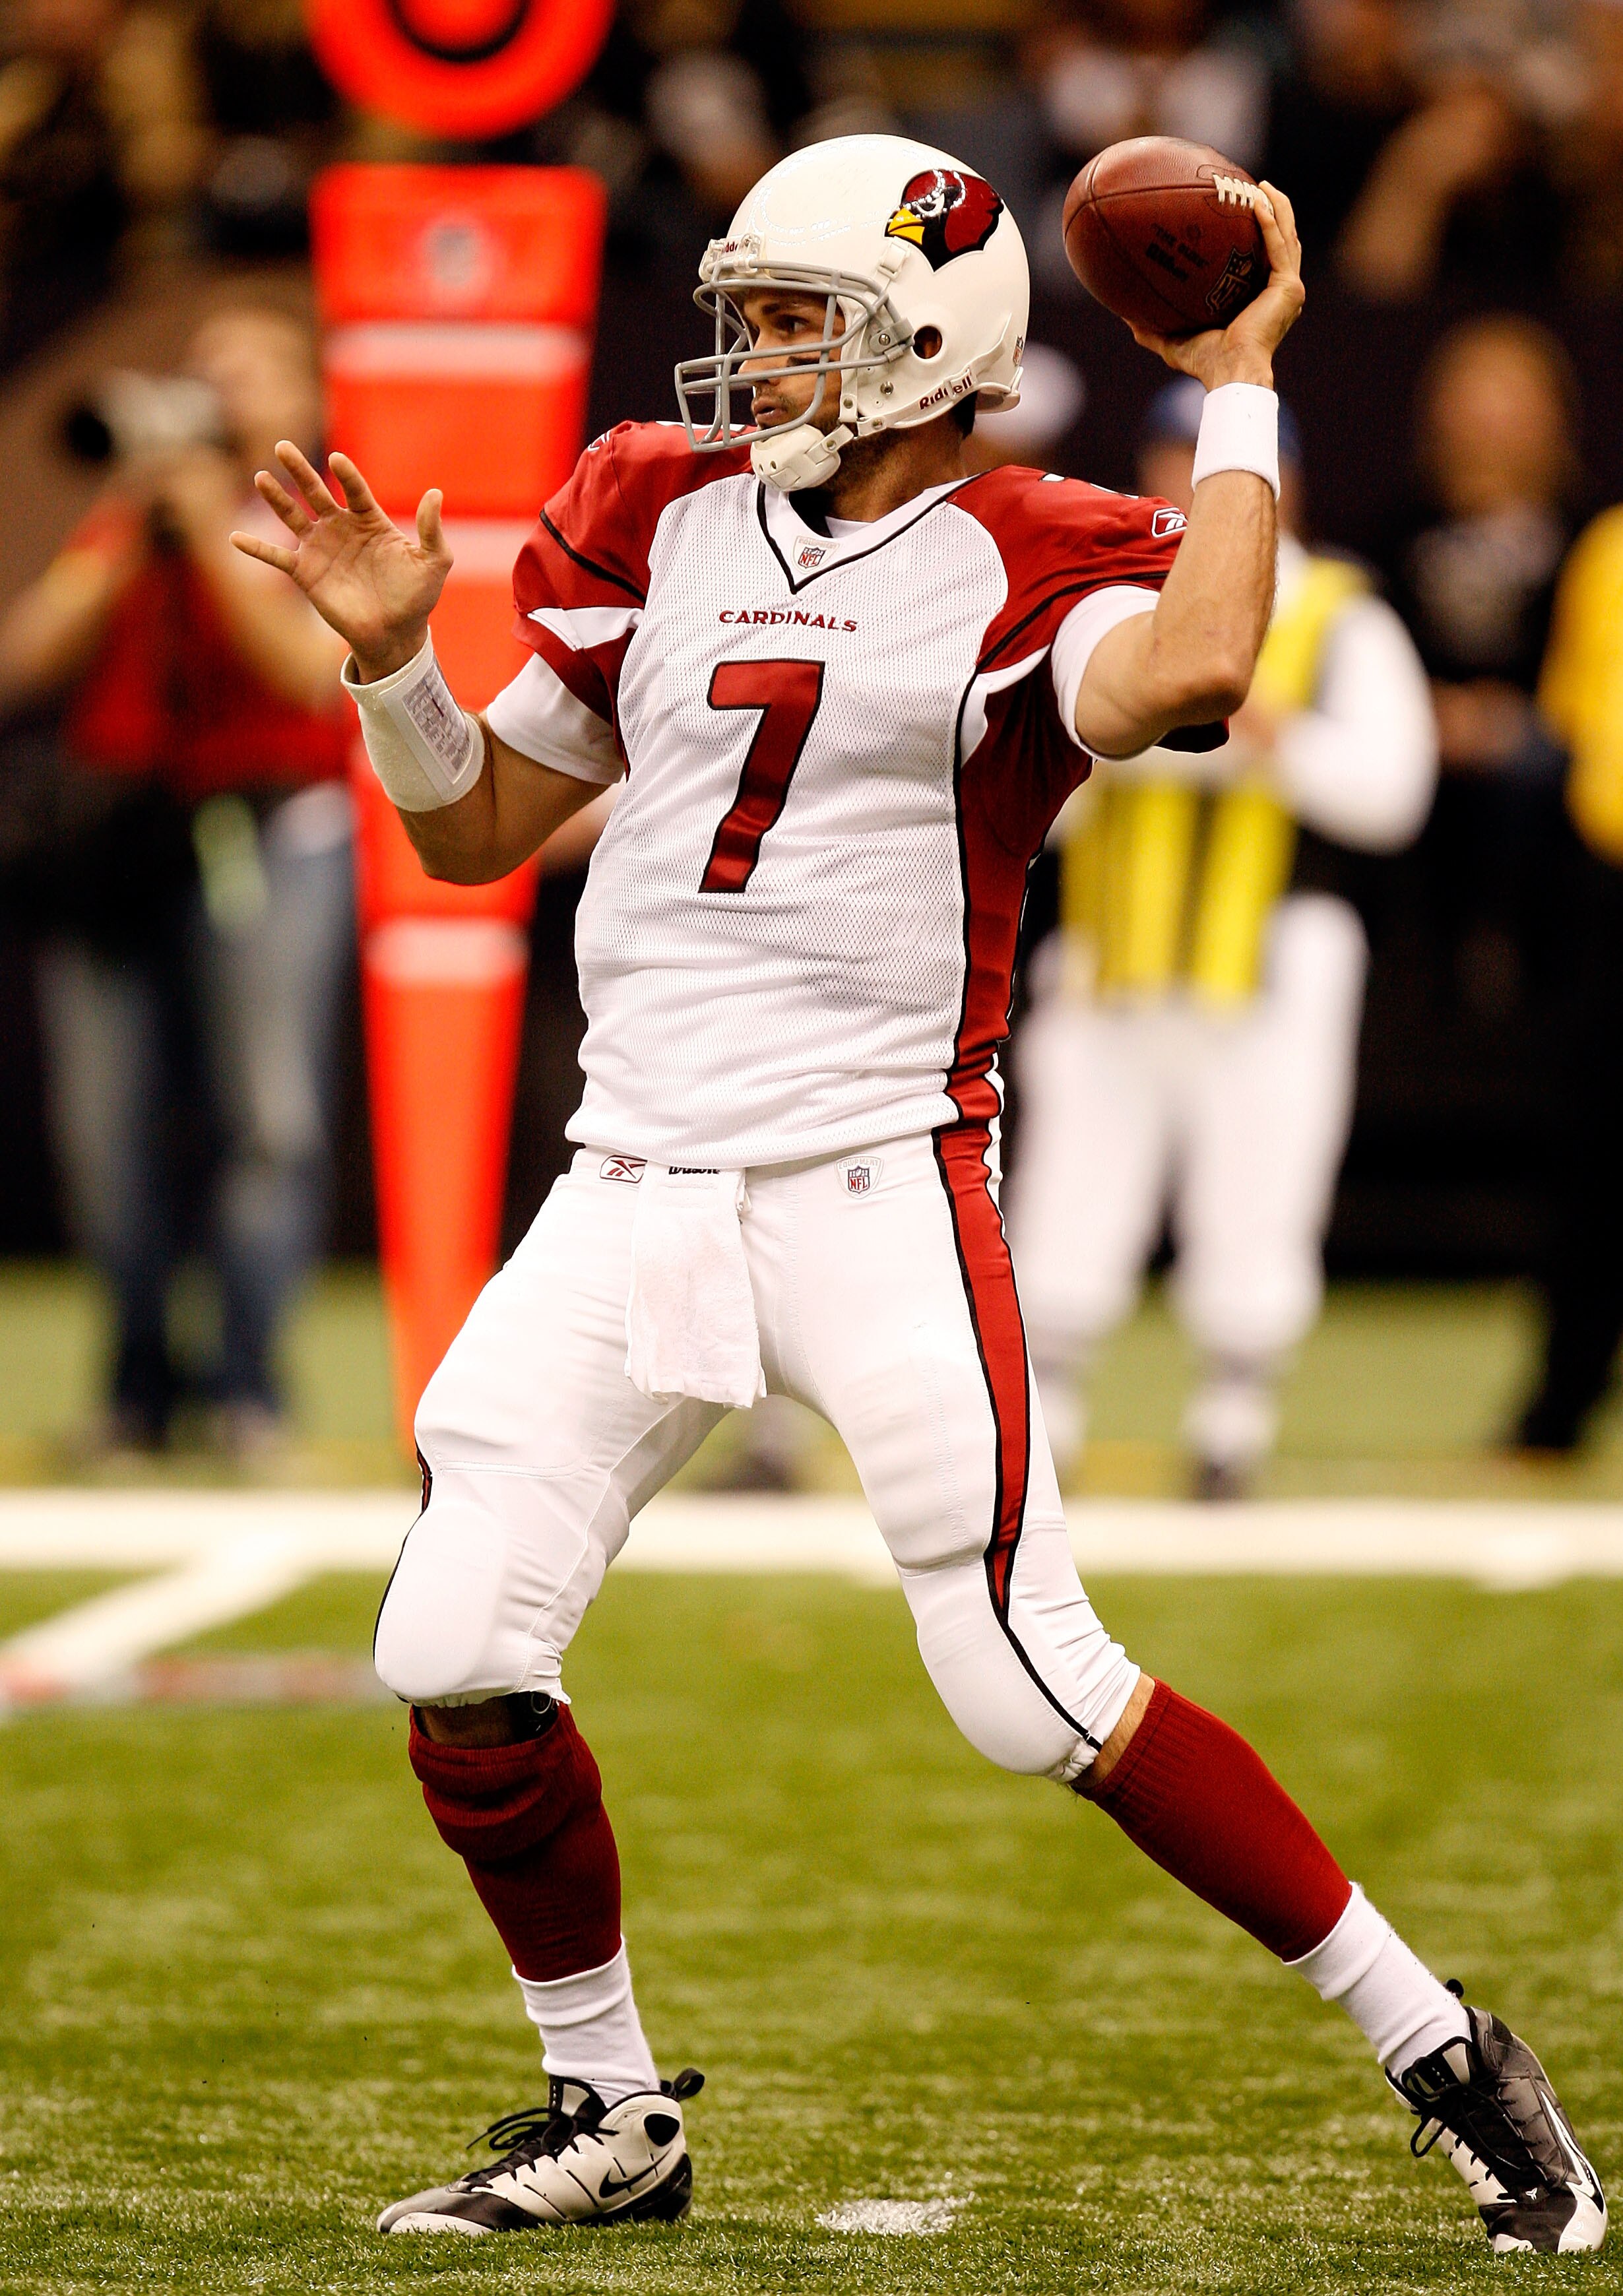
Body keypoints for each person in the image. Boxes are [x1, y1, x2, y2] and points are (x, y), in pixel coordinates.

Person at [235, 137, 1605, 2254]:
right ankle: (610, 2109)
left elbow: (1202, 671)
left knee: (1021, 1685)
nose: (755, 356)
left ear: (931, 340)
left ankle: (1441, 2044)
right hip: (626, 1180)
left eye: (801, 320)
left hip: (872, 1175)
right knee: (454, 1647)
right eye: (754, 315)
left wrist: (1240, 373)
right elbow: (474, 835)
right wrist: (397, 669)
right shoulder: (646, 505)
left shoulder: (1024, 544)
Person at [1005, 379, 1436, 1499]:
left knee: (1260, 1179)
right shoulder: (1100, 600)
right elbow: (1045, 780)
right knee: (1075, 1179)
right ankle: (1050, 1421)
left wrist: (1268, 736)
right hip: (1117, 944)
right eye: (1169, 461)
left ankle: (1230, 1422)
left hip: (1274, 950)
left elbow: (1393, 791)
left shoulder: (1340, 612)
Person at [0, 306, 352, 1456]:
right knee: (106, 1131)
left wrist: (208, 532)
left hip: (269, 832)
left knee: (270, 1120)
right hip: (123, 846)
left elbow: (311, 676)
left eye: (254, 366)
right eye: (209, 368)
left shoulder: (326, 516)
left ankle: (249, 1391)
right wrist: (129, 526)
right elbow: (29, 659)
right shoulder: (126, 517)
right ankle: (133, 1397)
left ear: (306, 398)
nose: (223, 389)